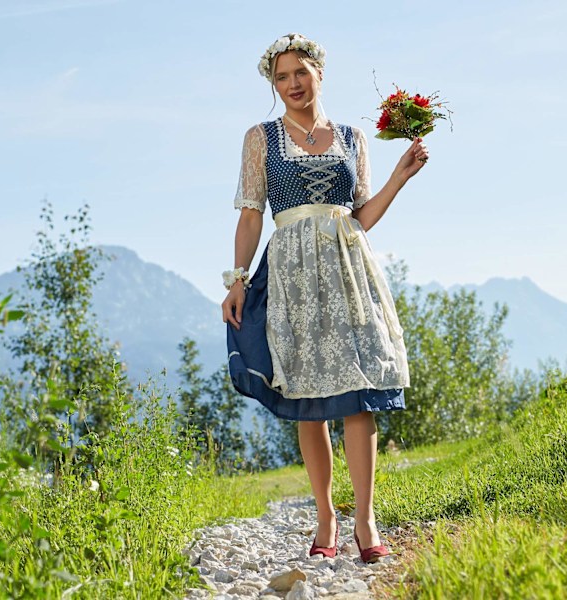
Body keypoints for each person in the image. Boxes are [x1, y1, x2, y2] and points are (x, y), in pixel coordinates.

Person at [222, 33, 429, 563]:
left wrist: (399, 178)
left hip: (347, 270)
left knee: (360, 390)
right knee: (308, 400)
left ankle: (366, 521)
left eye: (300, 73)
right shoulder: (261, 137)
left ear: (319, 74)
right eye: (282, 77)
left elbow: (361, 217)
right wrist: (237, 278)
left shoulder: (354, 139)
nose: (292, 84)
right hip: (290, 272)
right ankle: (325, 517)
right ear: (274, 84)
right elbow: (250, 214)